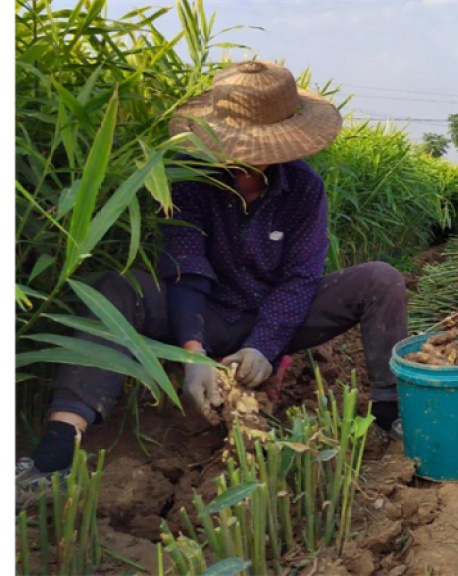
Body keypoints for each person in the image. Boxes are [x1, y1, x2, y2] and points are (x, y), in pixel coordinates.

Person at [16, 60, 408, 506]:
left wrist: (263, 344)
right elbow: (184, 266)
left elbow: (300, 279)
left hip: (274, 318)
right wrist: (193, 351)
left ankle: (390, 411)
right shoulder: (189, 178)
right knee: (115, 287)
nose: (246, 160)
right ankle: (56, 451)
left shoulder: (304, 187)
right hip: (204, 314)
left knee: (381, 278)